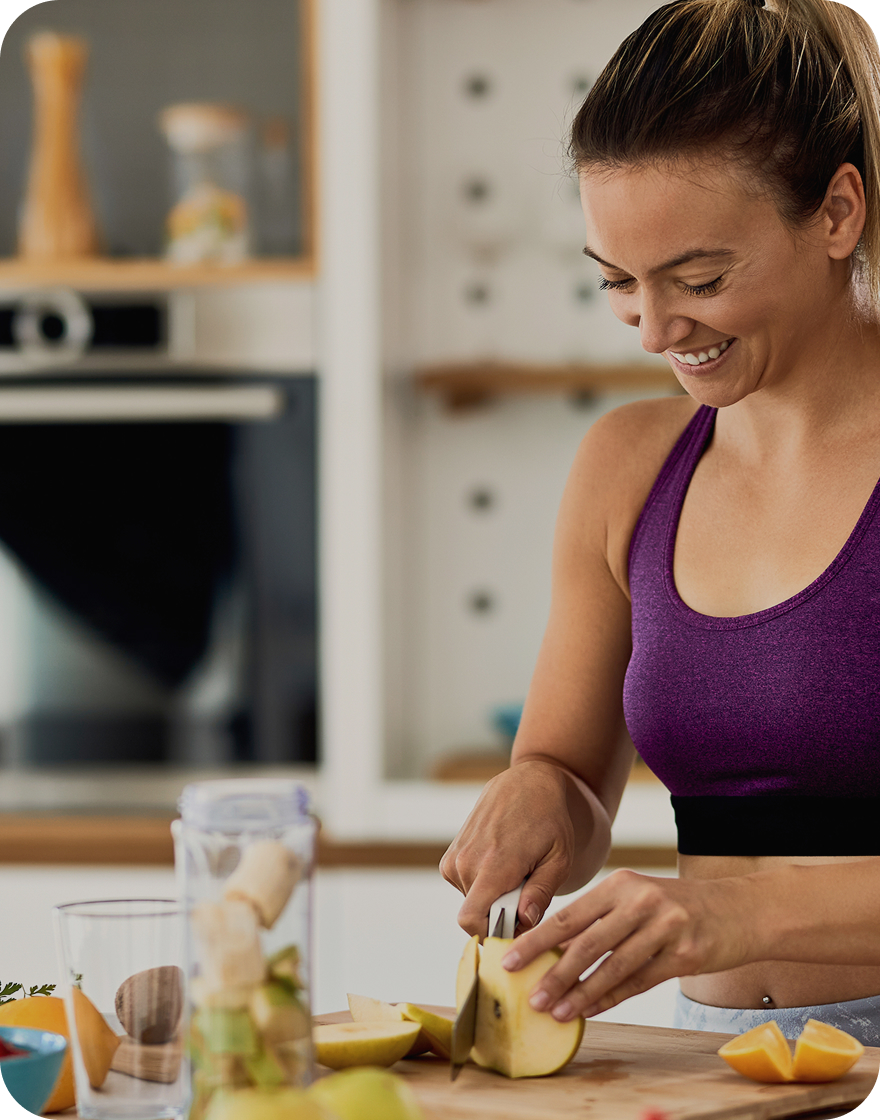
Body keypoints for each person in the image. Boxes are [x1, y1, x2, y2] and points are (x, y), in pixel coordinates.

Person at [439, 0, 880, 1045]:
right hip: (706, 1057)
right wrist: (539, 797)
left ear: (835, 213)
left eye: (699, 278)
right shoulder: (628, 467)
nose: (653, 328)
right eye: (616, 284)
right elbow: (571, 781)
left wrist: (726, 912)